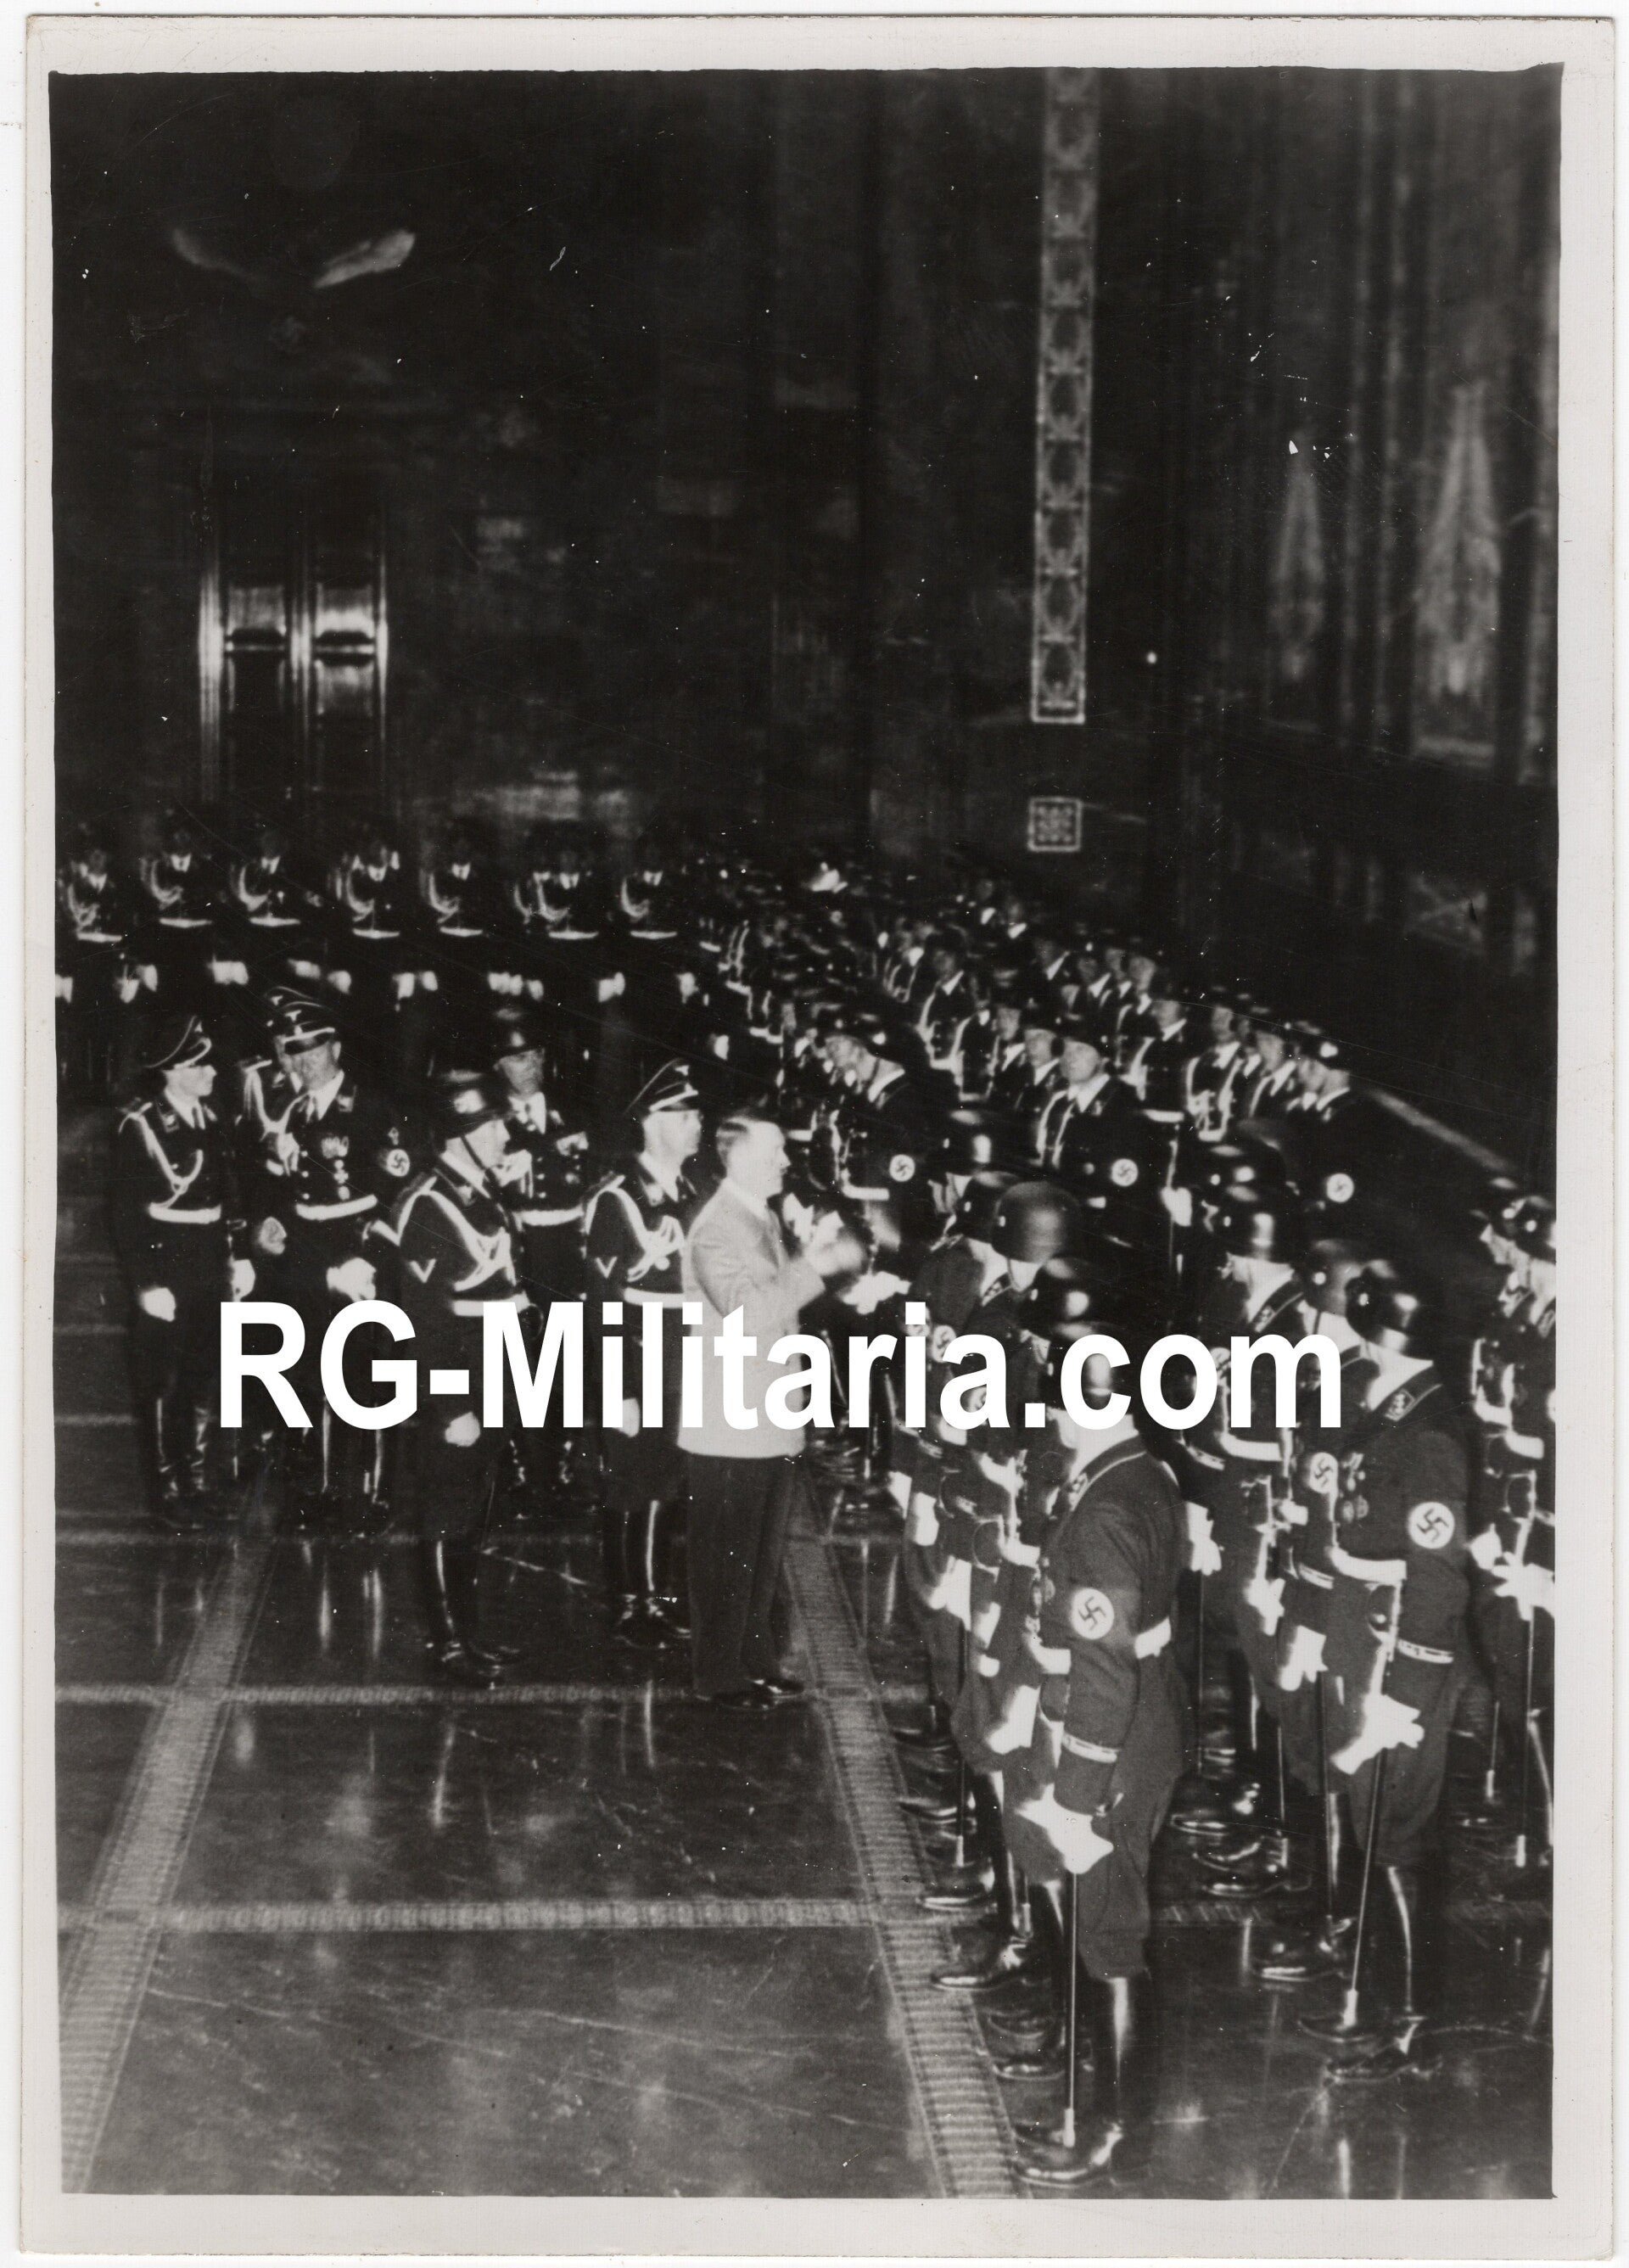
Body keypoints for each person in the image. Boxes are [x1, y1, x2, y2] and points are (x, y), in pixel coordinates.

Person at [999, 1318, 1189, 2191]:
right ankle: (1090, 2088)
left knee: (1110, 1928)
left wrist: (1077, 1797)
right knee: (1093, 1916)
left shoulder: (1109, 1510)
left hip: (1111, 1734)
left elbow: (1106, 1671)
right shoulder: (1130, 1472)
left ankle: (1115, 2131)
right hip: (1107, 1715)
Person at [677, 1108, 864, 1705]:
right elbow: (747, 1315)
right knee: (724, 1555)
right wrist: (820, 1265)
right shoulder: (714, 1227)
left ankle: (754, 1658)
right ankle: (718, 1674)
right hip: (729, 1423)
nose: (787, 1160)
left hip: (769, 1416)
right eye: (777, 1150)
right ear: (738, 1157)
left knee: (760, 1553)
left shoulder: (758, 1215)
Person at [391, 1073, 528, 1688]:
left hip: (496, 1364)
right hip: (461, 1376)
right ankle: (448, 1641)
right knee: (448, 1507)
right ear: (461, 1136)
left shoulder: (480, 1194)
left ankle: (470, 1632)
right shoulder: (429, 1204)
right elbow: (426, 1319)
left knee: (476, 1506)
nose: (505, 1133)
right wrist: (452, 1405)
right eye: (492, 1125)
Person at [111, 1015, 251, 1529]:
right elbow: (125, 1212)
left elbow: (226, 1191)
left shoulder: (209, 1119)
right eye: (199, 1064)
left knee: (203, 1376)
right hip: (166, 1261)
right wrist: (146, 1283)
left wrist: (240, 1257)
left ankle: (197, 1482)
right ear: (172, 1072)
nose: (211, 1071)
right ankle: (167, 1490)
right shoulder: (142, 1125)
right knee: (163, 1383)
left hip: (209, 1260)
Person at [582, 1061, 704, 1645]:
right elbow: (603, 1305)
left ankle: (654, 1595)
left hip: (682, 1356)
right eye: (685, 1115)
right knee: (631, 1479)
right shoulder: (619, 1200)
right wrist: (617, 1389)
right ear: (654, 1123)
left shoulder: (686, 1190)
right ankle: (630, 1601)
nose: (697, 1124)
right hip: (639, 1359)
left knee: (665, 1475)